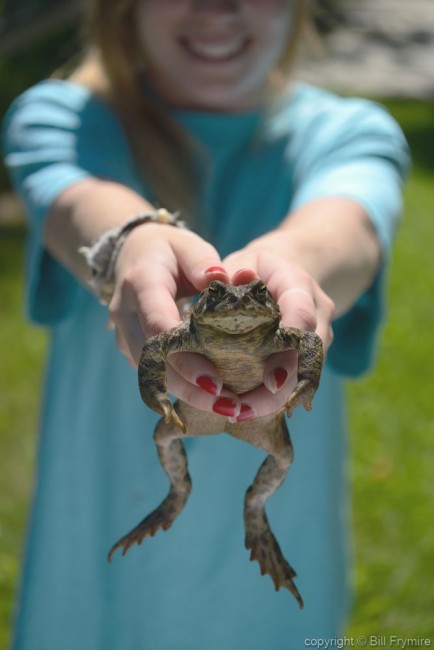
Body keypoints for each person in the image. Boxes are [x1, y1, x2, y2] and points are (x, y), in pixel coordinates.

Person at [2, 0, 409, 648]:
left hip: (275, 543)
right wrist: (132, 242)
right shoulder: (63, 116)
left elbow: (352, 226)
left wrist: (296, 271)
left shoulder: (350, 129)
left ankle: (259, 534)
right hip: (97, 537)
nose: (217, 8)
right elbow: (78, 198)